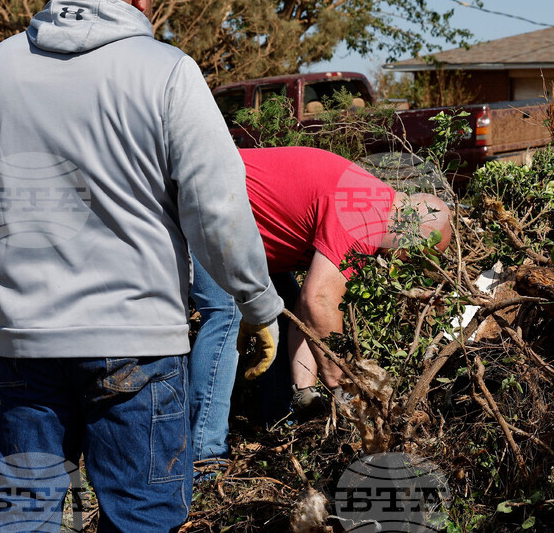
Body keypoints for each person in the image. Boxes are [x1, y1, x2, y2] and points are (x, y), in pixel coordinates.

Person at [0, 0, 283, 532]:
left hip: (25, 339)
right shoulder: (167, 72)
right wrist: (259, 306)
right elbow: (216, 210)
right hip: (135, 342)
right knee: (142, 519)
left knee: (25, 520)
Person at [189, 146, 452, 465]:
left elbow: (304, 313)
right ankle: (205, 458)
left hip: (236, 227)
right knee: (227, 314)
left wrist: (306, 390)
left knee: (281, 307)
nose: (400, 263)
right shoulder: (368, 215)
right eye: (413, 256)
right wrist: (345, 390)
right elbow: (319, 301)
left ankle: (282, 426)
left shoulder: (372, 202)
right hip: (202, 204)